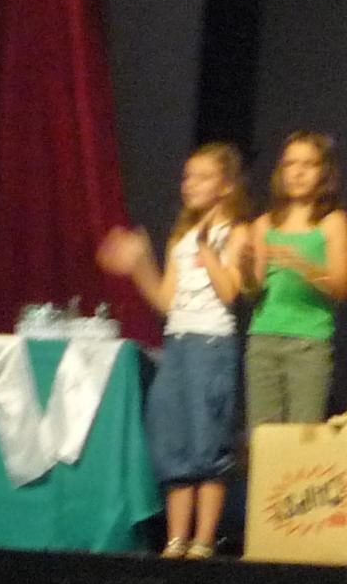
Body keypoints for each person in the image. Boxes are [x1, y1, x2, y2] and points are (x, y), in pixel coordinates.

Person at [96, 143, 252, 559]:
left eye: (203, 177)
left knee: (208, 441)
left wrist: (208, 252)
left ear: (225, 186)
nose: (190, 184)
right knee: (173, 440)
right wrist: (140, 265)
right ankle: (176, 537)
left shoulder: (236, 232)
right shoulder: (180, 236)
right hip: (178, 344)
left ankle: (204, 538)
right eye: (187, 176)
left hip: (211, 345)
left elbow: (230, 291)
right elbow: (166, 301)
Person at [242, 131, 347, 427]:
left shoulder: (333, 222)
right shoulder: (265, 224)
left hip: (308, 342)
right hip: (263, 339)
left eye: (309, 164)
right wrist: (245, 269)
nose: (298, 172)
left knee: (300, 438)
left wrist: (303, 266)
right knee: (263, 437)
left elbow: (343, 287)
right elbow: (252, 291)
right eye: (291, 164)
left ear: (324, 172)